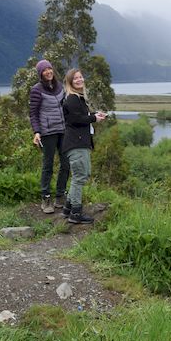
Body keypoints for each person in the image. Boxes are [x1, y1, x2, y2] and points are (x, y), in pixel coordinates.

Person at [61, 68, 107, 224]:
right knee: (80, 176)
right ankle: (76, 213)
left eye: (81, 77)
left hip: (78, 142)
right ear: (70, 82)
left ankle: (68, 208)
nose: (79, 80)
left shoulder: (77, 98)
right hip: (76, 143)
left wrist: (95, 115)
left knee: (80, 175)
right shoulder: (72, 99)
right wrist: (94, 118)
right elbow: (76, 119)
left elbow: (81, 116)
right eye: (75, 79)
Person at [28, 59, 70, 213]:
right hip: (47, 132)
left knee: (66, 163)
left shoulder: (60, 87)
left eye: (49, 69)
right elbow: (33, 113)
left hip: (63, 130)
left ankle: (60, 195)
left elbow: (66, 107)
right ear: (40, 74)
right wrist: (36, 132)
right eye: (44, 70)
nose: (48, 72)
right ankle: (46, 198)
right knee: (48, 165)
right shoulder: (36, 90)